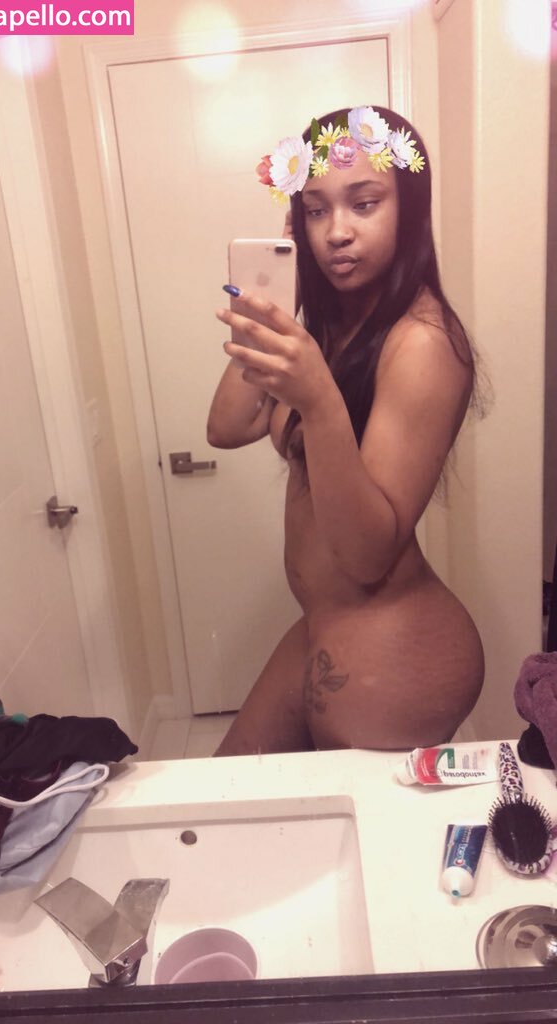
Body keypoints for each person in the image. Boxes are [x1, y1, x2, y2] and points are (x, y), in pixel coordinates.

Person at [207, 105, 485, 755]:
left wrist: (320, 401)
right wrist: (277, 307)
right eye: (315, 210)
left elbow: (366, 557)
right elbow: (227, 426)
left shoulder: (421, 342)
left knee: (333, 827)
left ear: (409, 210)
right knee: (228, 784)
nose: (336, 232)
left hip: (393, 652)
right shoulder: (333, 329)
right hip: (326, 625)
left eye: (364, 204)